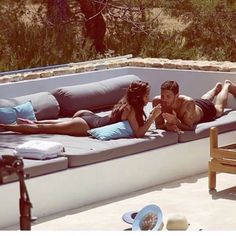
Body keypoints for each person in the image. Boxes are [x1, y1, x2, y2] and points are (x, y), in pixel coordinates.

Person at [0, 80, 162, 138]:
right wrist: (153, 117)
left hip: (87, 115)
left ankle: (27, 122)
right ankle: (6, 127)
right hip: (86, 124)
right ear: (140, 96)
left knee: (51, 125)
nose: (149, 96)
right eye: (147, 94)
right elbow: (139, 134)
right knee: (44, 128)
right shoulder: (131, 109)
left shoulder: (127, 103)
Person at [152, 80, 236, 132]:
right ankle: (215, 90)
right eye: (162, 96)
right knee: (202, 100)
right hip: (195, 105)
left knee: (219, 109)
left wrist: (176, 122)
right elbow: (159, 126)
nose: (164, 99)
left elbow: (189, 127)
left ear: (177, 96)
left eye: (168, 96)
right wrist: (167, 125)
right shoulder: (157, 101)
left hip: (205, 110)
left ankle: (227, 86)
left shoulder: (188, 103)